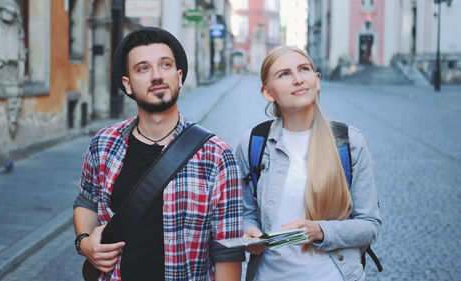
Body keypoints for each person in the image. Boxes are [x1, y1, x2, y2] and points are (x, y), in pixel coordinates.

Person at [73, 27, 244, 281]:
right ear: (127, 84)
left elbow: (227, 251)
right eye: (143, 68)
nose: (156, 76)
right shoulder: (104, 143)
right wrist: (85, 243)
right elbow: (87, 201)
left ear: (179, 76)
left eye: (165, 65)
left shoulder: (217, 156)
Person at [236, 46, 381, 281]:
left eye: (304, 69)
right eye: (284, 74)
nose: (298, 79)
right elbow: (246, 212)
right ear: (268, 92)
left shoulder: (348, 142)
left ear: (317, 80)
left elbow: (369, 225)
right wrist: (249, 231)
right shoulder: (253, 143)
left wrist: (321, 231)